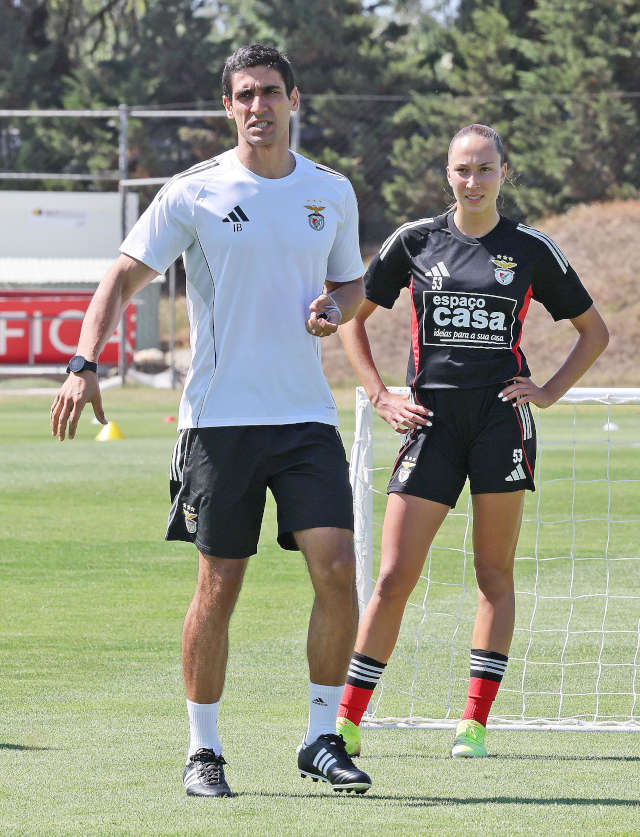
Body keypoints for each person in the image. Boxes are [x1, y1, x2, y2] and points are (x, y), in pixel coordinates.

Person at [49, 44, 372, 797]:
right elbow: (121, 276)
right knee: (219, 583)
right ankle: (204, 749)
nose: (258, 105)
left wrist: (338, 307)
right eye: (244, 94)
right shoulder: (193, 192)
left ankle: (322, 736)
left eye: (270, 92)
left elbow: (351, 282)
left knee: (335, 569)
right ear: (229, 107)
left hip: (305, 419)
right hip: (219, 424)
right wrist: (82, 360)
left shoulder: (331, 190)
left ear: (296, 99)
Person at [335, 123, 609, 760]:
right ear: (447, 173)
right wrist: (380, 396)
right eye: (463, 169)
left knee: (493, 574)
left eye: (486, 169)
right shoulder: (414, 242)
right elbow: (352, 316)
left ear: (504, 174)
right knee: (395, 576)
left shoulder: (532, 249)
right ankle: (347, 722)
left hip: (499, 426)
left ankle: (474, 723)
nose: (474, 180)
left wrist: (547, 393)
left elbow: (593, 333)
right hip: (428, 426)